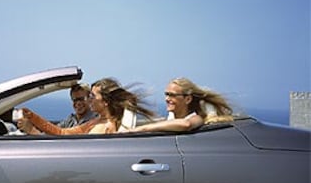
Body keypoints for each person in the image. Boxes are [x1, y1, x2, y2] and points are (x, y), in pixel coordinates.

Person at [17, 78, 156, 135]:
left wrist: (33, 130)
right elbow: (62, 133)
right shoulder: (98, 121)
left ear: (106, 101)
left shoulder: (107, 126)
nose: (89, 101)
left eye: (92, 97)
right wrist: (32, 117)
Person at [125, 77, 233, 133]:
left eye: (172, 95)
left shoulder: (196, 118)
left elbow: (186, 125)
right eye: (166, 94)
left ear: (187, 99)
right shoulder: (171, 117)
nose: (167, 99)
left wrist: (141, 129)